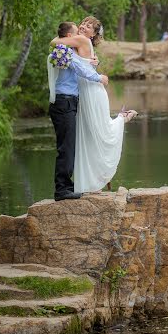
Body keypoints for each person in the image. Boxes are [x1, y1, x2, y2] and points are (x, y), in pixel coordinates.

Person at [51, 16, 137, 195]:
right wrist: (95, 70)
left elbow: (55, 42)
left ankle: (121, 119)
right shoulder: (76, 45)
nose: (83, 26)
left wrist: (96, 74)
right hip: (82, 94)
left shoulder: (80, 41)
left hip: (90, 93)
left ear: (93, 35)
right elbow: (76, 63)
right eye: (83, 23)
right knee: (88, 137)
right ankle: (84, 183)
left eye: (89, 26)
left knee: (96, 132)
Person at [48, 21, 109, 201]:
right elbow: (79, 68)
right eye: (75, 33)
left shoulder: (67, 51)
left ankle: (67, 185)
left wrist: (90, 62)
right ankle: (62, 189)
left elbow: (80, 65)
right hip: (64, 102)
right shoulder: (64, 51)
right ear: (69, 37)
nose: (79, 35)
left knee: (69, 146)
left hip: (67, 101)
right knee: (66, 147)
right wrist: (99, 77)